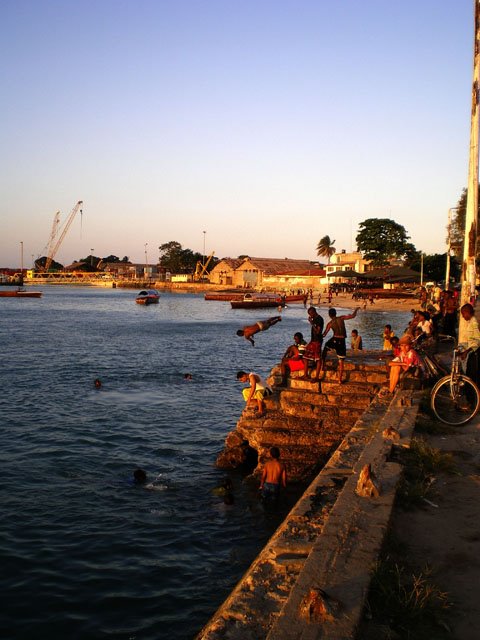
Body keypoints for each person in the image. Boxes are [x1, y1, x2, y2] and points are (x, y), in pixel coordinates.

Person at [321, 307, 360, 383]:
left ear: (329, 315)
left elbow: (324, 334)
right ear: (336, 313)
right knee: (341, 361)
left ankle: (323, 365)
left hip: (335, 339)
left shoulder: (330, 323)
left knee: (326, 346)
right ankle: (339, 380)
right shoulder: (341, 318)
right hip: (342, 341)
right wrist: (356, 309)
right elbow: (353, 316)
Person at [458, 303, 480, 384]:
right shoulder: (470, 322)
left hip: (475, 353)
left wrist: (466, 352)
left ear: (467, 312)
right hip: (472, 351)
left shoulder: (474, 323)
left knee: (472, 376)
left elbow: (477, 341)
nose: (463, 316)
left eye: (463, 314)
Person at [302, 307, 324, 380]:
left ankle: (317, 377)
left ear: (314, 312)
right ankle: (305, 375)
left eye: (311, 314)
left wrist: (311, 323)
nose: (310, 316)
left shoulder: (319, 319)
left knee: (318, 359)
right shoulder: (314, 319)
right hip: (313, 340)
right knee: (305, 357)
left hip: (317, 341)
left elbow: (318, 332)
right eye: (309, 314)